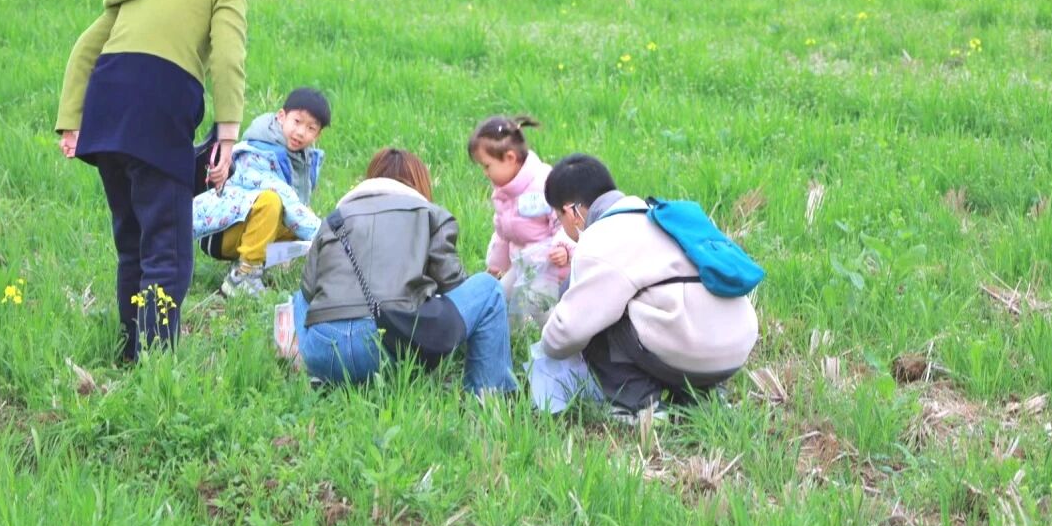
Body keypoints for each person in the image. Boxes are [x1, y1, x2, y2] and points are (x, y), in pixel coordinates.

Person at [55, 0, 252, 361]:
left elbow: (87, 46)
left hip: (107, 108)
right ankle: (156, 366)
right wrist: (227, 133)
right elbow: (227, 57)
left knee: (133, 244)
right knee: (169, 252)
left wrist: (72, 121)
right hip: (158, 108)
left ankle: (131, 353)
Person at [540, 154, 759, 421]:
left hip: (691, 349)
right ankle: (705, 396)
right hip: (736, 346)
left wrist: (545, 345)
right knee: (652, 301)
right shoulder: (662, 216)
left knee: (596, 314)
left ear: (573, 211)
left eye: (558, 217)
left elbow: (569, 329)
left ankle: (640, 406)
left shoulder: (601, 238)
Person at [294, 148, 516, 395]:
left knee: (299, 296)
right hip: (384, 348)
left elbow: (307, 292)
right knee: (487, 289)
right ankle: (490, 395)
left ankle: (312, 368)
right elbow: (453, 284)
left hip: (323, 350)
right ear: (420, 182)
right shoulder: (432, 215)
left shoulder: (333, 220)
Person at [193, 87, 330, 297]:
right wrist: (329, 238)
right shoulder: (257, 151)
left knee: (300, 212)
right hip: (222, 233)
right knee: (271, 201)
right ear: (281, 116)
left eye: (311, 128)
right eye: (297, 122)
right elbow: (286, 200)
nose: (301, 132)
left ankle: (255, 264)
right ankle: (243, 276)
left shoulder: (302, 158)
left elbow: (298, 208)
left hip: (247, 229)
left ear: (318, 134)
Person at [467, 115, 573, 328]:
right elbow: (502, 233)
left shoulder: (544, 183)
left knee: (541, 307)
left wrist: (564, 248)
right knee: (500, 297)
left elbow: (564, 221)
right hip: (522, 263)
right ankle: (511, 341)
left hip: (548, 265)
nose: (485, 173)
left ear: (510, 158)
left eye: (487, 166)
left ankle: (563, 345)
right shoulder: (503, 193)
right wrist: (496, 265)